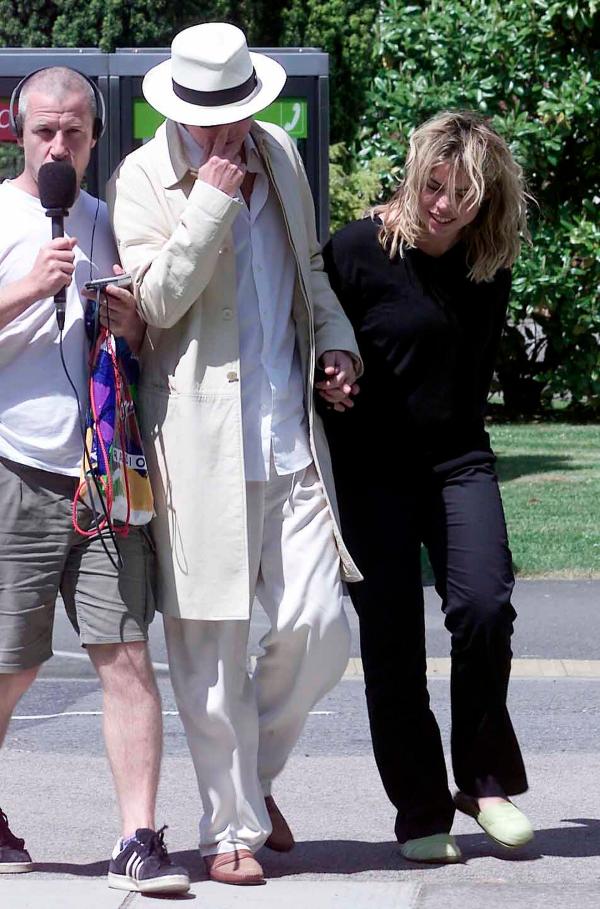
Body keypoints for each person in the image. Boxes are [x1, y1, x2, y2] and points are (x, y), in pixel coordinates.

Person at [108, 22, 362, 885]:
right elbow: (158, 304)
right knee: (209, 654)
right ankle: (232, 833)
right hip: (197, 444)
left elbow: (311, 271)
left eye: (237, 115)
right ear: (180, 108)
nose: (228, 134)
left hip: (288, 434)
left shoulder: (280, 151)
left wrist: (336, 342)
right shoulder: (144, 175)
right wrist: (210, 201)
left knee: (322, 628)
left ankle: (250, 781)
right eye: (211, 120)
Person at [322, 110, 534, 864]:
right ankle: (419, 807)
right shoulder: (354, 249)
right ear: (413, 173)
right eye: (433, 184)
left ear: (488, 198)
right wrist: (332, 372)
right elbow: (316, 337)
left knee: (483, 604)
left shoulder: (487, 262)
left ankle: (483, 782)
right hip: (371, 469)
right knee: (392, 642)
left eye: (463, 193)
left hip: (457, 460)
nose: (443, 203)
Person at [0, 66, 189, 895]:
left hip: (102, 472)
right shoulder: (5, 215)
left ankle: (137, 837)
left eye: (74, 131)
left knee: (126, 654)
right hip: (14, 468)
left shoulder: (107, 220)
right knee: (9, 665)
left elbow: (133, 343)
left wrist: (128, 320)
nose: (59, 144)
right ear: (18, 134)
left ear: (95, 136)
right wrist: (24, 289)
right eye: (45, 130)